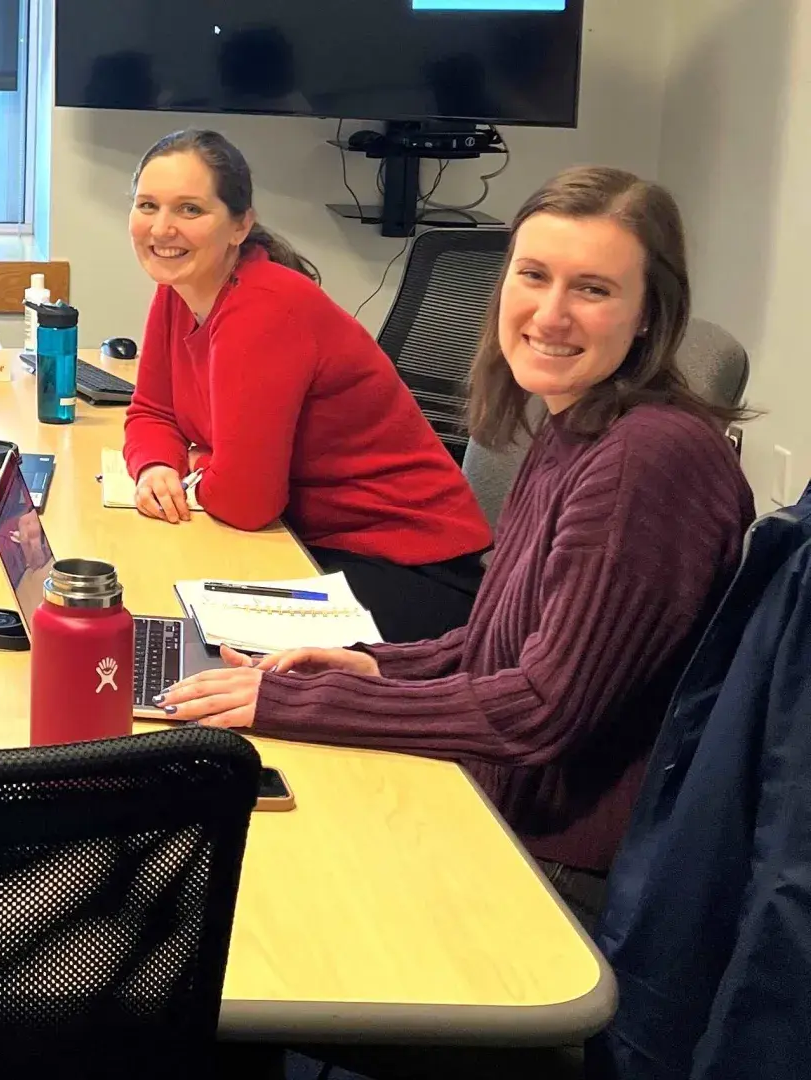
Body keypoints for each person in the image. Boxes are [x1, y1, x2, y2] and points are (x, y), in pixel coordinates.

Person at [156, 165, 755, 931]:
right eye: (533, 276)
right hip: (510, 803)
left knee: (236, 896)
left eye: (593, 289)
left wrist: (303, 701)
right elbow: (502, 642)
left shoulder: (646, 462)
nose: (551, 313)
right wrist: (375, 666)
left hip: (560, 867)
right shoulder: (577, 425)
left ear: (648, 315)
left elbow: (540, 709)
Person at [121, 129, 492, 642]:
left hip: (404, 565)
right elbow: (151, 411)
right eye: (148, 205)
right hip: (309, 539)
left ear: (240, 225)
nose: (162, 228)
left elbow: (246, 503)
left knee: (200, 643)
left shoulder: (263, 309)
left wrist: (202, 462)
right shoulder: (178, 290)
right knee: (160, 600)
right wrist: (157, 465)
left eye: (190, 209)